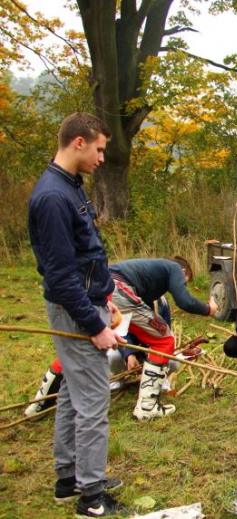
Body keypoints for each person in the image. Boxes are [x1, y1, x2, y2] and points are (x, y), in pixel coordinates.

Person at [28, 112, 126, 516]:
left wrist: (105, 297)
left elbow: (86, 258)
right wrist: (93, 324)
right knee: (93, 402)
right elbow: (59, 275)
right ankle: (91, 496)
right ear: (79, 142)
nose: (103, 157)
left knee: (71, 393)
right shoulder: (52, 196)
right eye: (100, 149)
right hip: (76, 312)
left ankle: (68, 479)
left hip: (89, 303)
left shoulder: (71, 187)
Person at [25, 298, 176, 418]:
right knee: (82, 353)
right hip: (118, 344)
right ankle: (40, 404)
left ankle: (149, 399)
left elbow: (163, 332)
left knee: (172, 360)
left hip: (146, 349)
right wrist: (129, 355)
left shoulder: (161, 303)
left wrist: (150, 356)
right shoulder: (126, 297)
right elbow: (122, 331)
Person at [109, 257, 216, 421]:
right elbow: (185, 301)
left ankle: (56, 390)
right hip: (117, 290)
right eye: (183, 283)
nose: (180, 286)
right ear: (183, 273)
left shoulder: (146, 282)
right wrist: (208, 309)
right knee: (164, 340)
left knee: (79, 346)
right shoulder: (174, 268)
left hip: (99, 285)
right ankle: (147, 407)